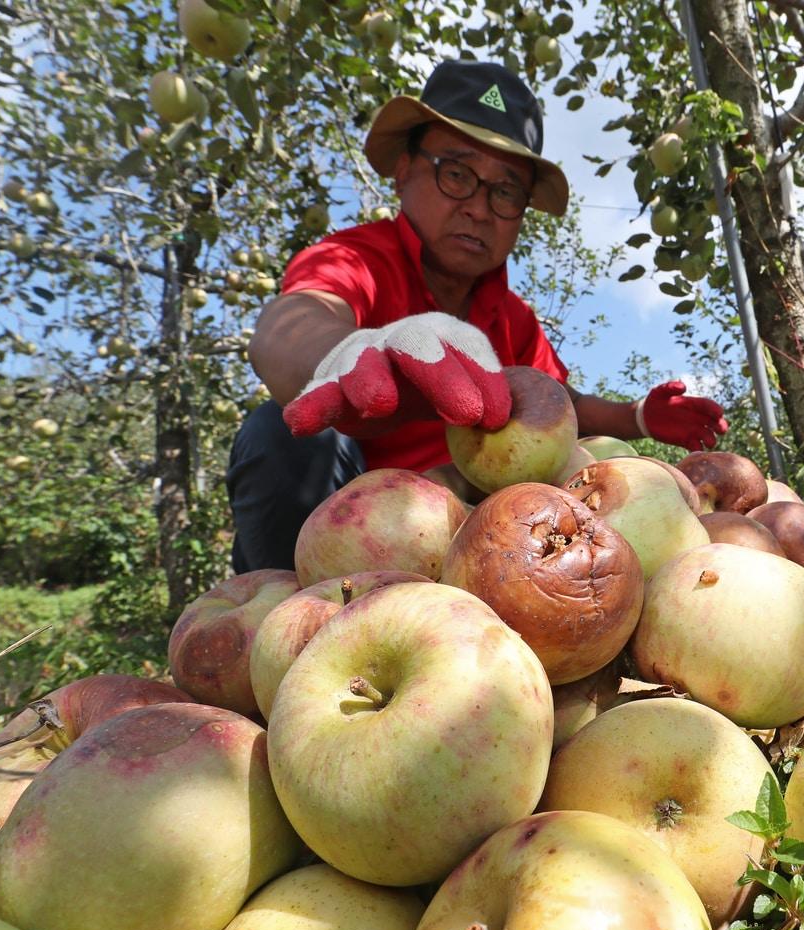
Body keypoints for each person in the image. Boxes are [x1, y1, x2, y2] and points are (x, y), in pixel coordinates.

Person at [227, 59, 729, 574]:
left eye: (506, 190)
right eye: (457, 173)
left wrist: (637, 417)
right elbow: (294, 324)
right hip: (366, 530)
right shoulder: (356, 260)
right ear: (405, 169)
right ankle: (288, 611)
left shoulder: (513, 319)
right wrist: (350, 353)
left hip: (484, 533)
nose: (480, 208)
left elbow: (562, 407)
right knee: (279, 437)